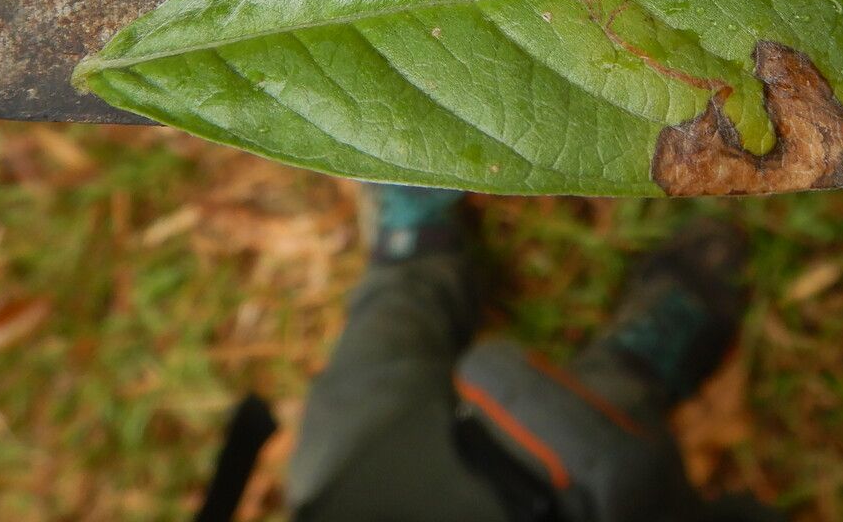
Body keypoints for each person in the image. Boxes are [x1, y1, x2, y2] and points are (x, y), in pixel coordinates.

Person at [284, 185, 784, 522]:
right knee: (588, 439)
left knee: (378, 355)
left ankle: (417, 253)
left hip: (341, 490)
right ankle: (638, 369)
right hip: (527, 498)